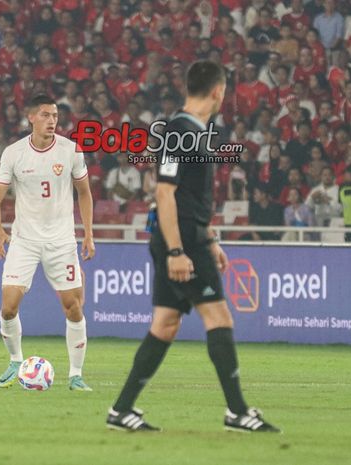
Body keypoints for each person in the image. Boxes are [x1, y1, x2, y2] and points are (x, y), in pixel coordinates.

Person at [107, 61, 280, 433]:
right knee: (219, 318)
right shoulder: (178, 132)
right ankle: (237, 412)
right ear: (218, 91)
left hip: (189, 236)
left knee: (165, 324)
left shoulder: (196, 132)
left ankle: (121, 410)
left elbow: (190, 197)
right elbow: (165, 193)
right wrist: (177, 252)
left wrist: (211, 237)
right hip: (180, 241)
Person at [0, 94, 96, 391]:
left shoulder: (71, 150)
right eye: (46, 115)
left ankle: (75, 374)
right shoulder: (13, 153)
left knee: (73, 307)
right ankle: (14, 361)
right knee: (8, 308)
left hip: (61, 241)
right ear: (31, 118)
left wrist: (87, 233)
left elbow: (84, 193)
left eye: (55, 116)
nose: (52, 121)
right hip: (24, 240)